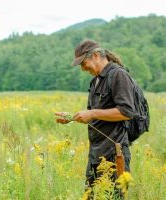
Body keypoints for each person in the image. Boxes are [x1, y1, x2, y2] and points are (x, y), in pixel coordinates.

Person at [55, 39, 136, 198]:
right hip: (96, 153)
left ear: (97, 55)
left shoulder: (118, 75)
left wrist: (92, 113)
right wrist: (71, 118)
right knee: (89, 196)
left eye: (83, 63)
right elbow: (96, 115)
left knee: (114, 196)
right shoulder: (96, 81)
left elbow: (127, 111)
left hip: (114, 153)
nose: (82, 68)